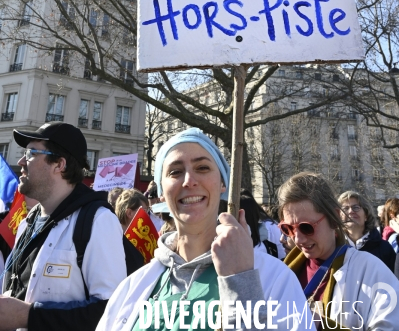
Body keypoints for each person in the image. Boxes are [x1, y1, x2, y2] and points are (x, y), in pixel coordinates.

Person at [97, 128, 315, 331]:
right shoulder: (131, 288)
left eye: (202, 168)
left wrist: (241, 284)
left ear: (222, 183)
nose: (189, 181)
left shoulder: (274, 277)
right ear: (161, 192)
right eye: (175, 172)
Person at [0, 121, 128, 331]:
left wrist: (28, 316)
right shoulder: (27, 222)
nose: (21, 161)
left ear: (59, 164)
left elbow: (112, 311)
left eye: (31, 153)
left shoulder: (98, 220)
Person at [278, 172, 399, 330]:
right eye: (288, 229)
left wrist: (323, 326)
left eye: (306, 227)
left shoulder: (371, 271)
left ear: (334, 218)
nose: (298, 239)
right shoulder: (280, 273)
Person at [337, 190, 395, 272]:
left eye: (356, 207)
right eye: (345, 209)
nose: (350, 211)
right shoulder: (333, 248)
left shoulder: (384, 249)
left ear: (366, 216)